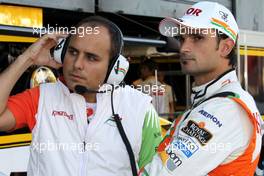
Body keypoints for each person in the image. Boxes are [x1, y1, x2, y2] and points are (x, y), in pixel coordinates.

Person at [0, 16, 162, 176]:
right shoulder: (42, 97)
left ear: (114, 68)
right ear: (60, 54)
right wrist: (27, 58)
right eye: (72, 52)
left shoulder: (140, 108)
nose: (77, 64)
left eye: (91, 57)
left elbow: (154, 171)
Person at [139, 1, 262, 176]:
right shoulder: (220, 99)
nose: (184, 48)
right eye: (182, 38)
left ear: (225, 47)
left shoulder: (225, 109)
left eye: (197, 38)